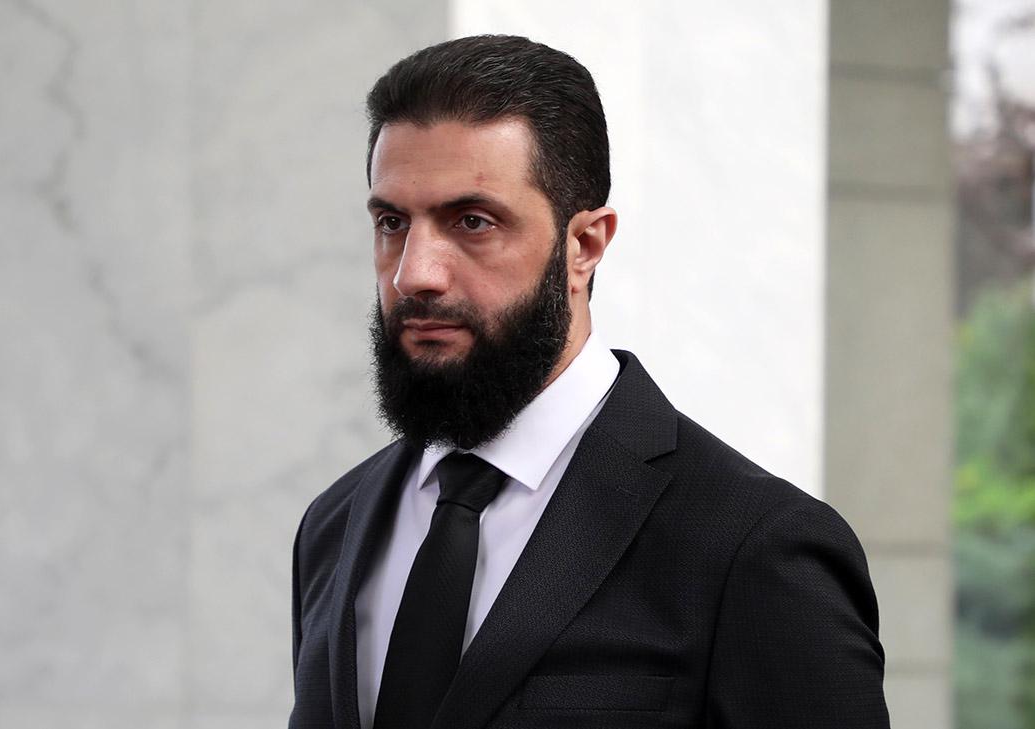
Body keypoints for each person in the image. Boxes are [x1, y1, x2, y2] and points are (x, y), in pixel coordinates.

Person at [289, 34, 890, 729]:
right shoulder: (333, 524)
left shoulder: (754, 547)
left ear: (585, 245)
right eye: (393, 222)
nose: (414, 273)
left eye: (473, 222)